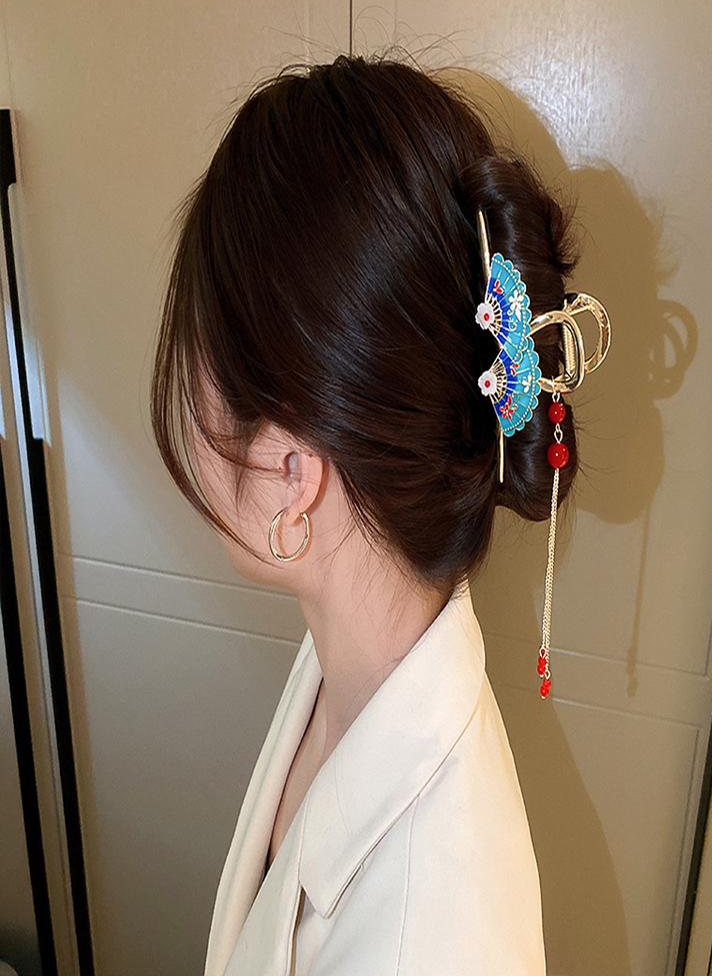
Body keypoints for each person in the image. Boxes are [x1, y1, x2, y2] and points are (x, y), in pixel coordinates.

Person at [150, 52, 583, 976]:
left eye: (202, 351)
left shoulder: (434, 941)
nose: (186, 389)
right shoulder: (353, 653)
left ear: (292, 471)